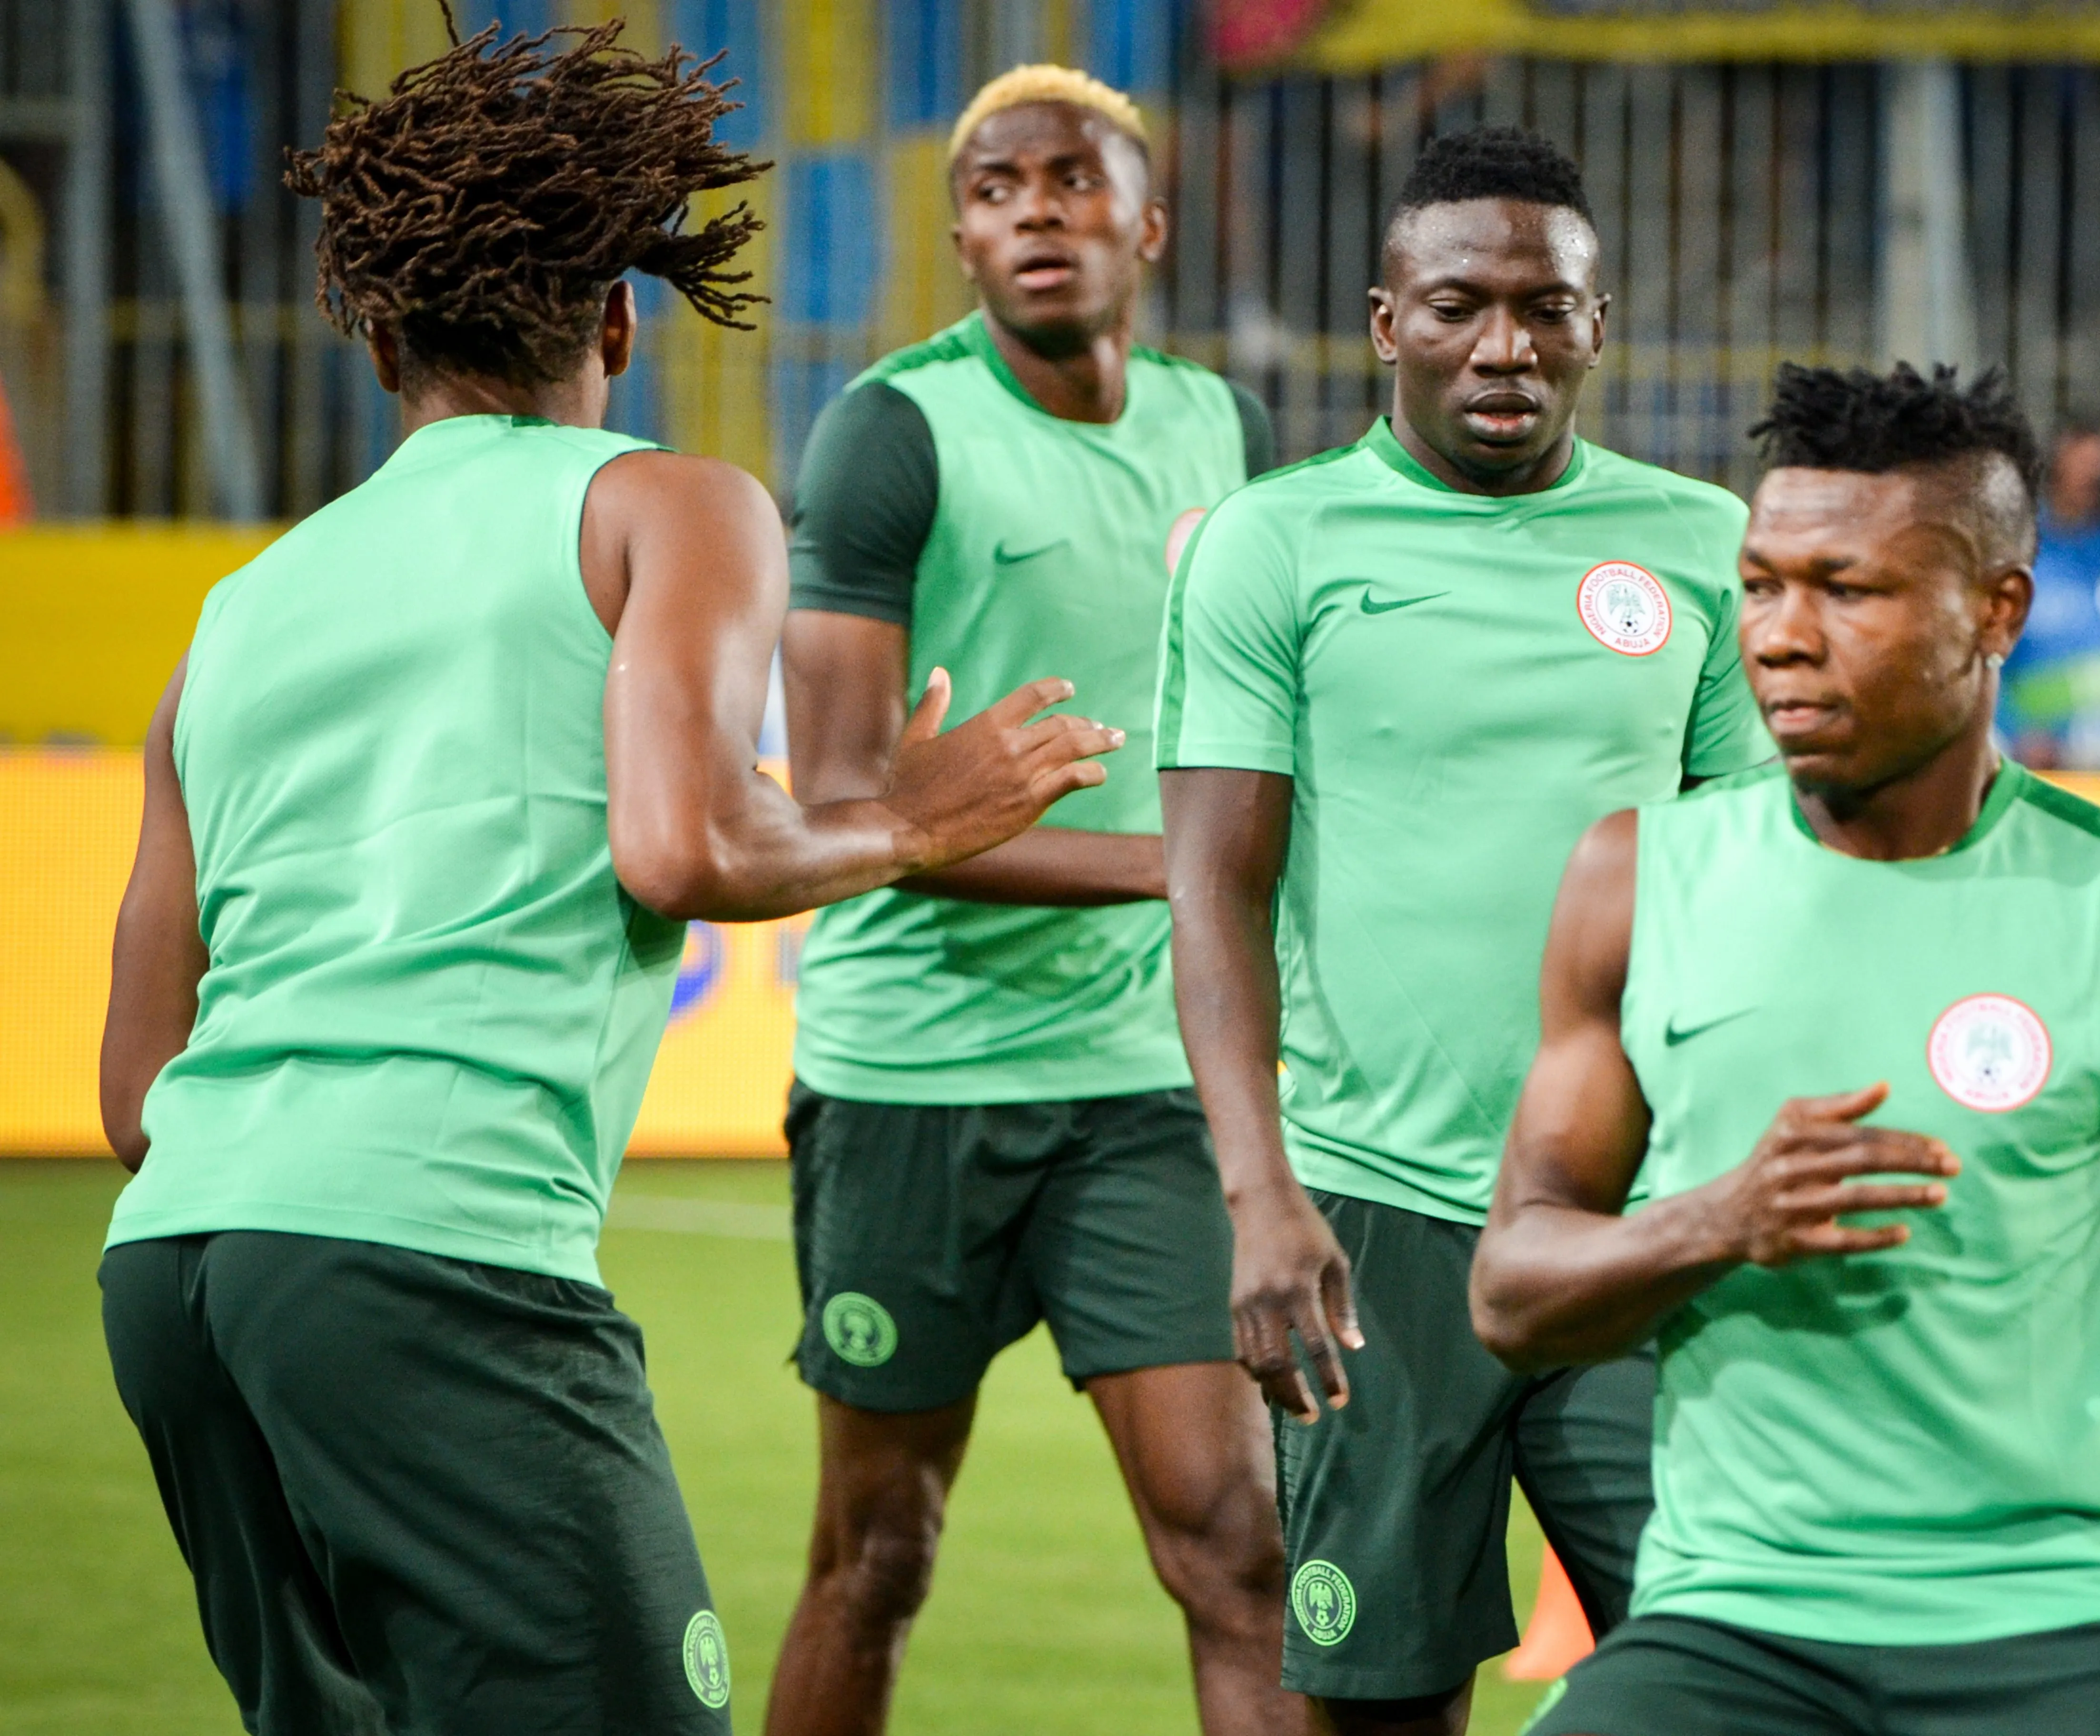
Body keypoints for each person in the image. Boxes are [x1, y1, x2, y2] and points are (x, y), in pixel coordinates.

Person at [93, 25, 1119, 1735]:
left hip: (178, 1276)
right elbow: (687, 843)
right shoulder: (664, 504)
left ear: (377, 335)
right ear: (622, 320)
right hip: (433, 1258)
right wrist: (909, 818)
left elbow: (136, 1092)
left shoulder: (236, 612)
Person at [1470, 362, 2100, 1736]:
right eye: (1760, 585)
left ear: (1997, 612)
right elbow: (1510, 1290)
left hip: (2056, 1619)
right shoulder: (1636, 884)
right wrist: (1717, 1221)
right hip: (1732, 1619)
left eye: (1845, 590)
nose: (1780, 637)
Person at [1158, 126, 1766, 1736]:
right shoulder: (1268, 546)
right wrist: (1259, 1190)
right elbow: (1209, 887)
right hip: (1375, 1220)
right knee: (1383, 1704)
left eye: (1542, 306)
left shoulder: (1706, 545)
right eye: (1457, 305)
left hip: (1631, 1211)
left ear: (1595, 321)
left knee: (1725, 1669)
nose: (1503, 343)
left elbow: (1765, 873)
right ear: (1383, 322)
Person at [764, 66, 1298, 1736]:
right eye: (995, 189)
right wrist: (1181, 870)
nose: (1035, 210)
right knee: (878, 1549)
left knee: (1236, 1543)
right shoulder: (890, 435)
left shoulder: (1228, 429)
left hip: (1143, 1073)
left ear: (1147, 222)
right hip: (910, 1072)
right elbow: (848, 807)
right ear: (961, 237)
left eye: (1072, 181)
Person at [2000, 414, 2100, 768]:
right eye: (2085, 464)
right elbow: (1980, 651)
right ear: (2055, 468)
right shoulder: (2018, 550)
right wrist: (2014, 729)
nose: (2098, 477)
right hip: (2042, 756)